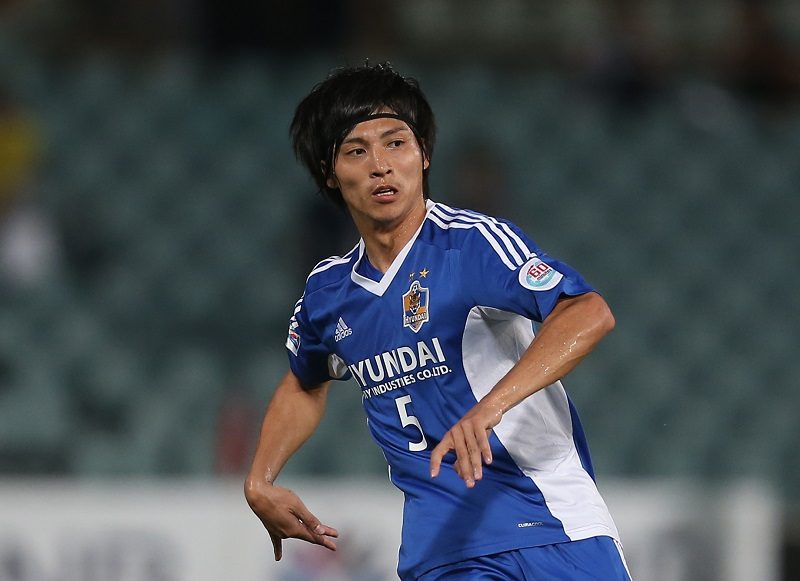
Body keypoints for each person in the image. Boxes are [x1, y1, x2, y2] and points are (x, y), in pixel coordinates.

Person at [244, 62, 631, 580]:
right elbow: (303, 382)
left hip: (552, 523)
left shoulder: (470, 243)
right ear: (329, 171)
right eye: (357, 150)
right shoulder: (328, 292)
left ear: (424, 153)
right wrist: (260, 479)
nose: (381, 165)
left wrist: (488, 408)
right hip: (443, 552)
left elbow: (587, 312)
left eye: (396, 143)